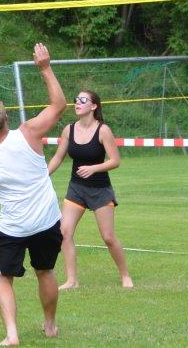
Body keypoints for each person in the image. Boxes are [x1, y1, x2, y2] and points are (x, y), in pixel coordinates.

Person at [0, 43, 66, 346]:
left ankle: (12, 334)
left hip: (13, 228)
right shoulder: (29, 132)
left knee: (3, 278)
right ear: (7, 117)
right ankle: (50, 325)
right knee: (45, 271)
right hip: (47, 221)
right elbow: (59, 105)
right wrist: (44, 67)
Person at [47, 89, 133, 289]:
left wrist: (94, 168)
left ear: (94, 106)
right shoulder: (69, 129)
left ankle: (125, 275)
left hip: (100, 190)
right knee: (64, 232)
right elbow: (58, 157)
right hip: (76, 189)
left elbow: (115, 161)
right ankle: (72, 281)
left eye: (83, 100)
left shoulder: (103, 130)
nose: (77, 102)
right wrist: (44, 175)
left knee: (108, 237)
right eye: (76, 99)